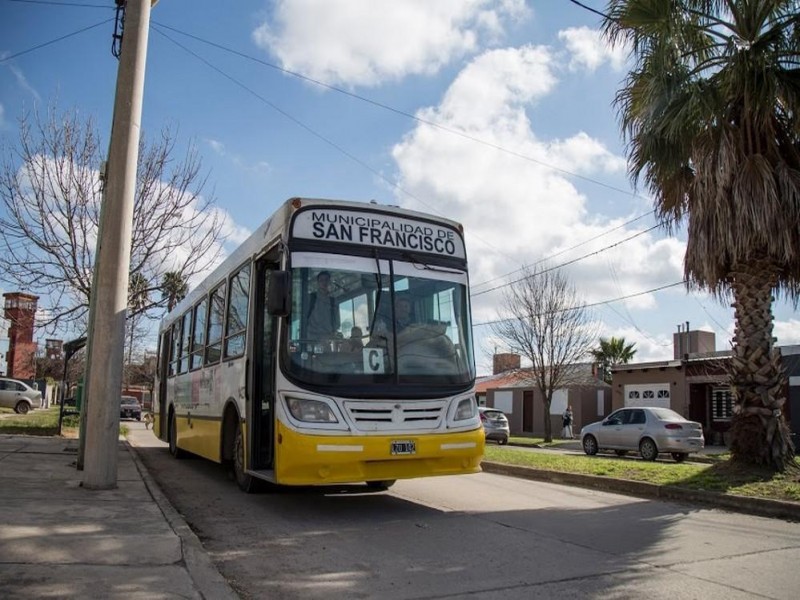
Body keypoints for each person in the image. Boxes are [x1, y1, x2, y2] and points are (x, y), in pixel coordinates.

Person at [306, 271, 340, 342]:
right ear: (318, 283)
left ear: (329, 282)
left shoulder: (333, 301)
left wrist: (330, 335)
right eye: (321, 280)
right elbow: (304, 318)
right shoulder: (311, 298)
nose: (324, 282)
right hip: (311, 339)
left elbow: (337, 322)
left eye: (326, 280)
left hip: (327, 340)